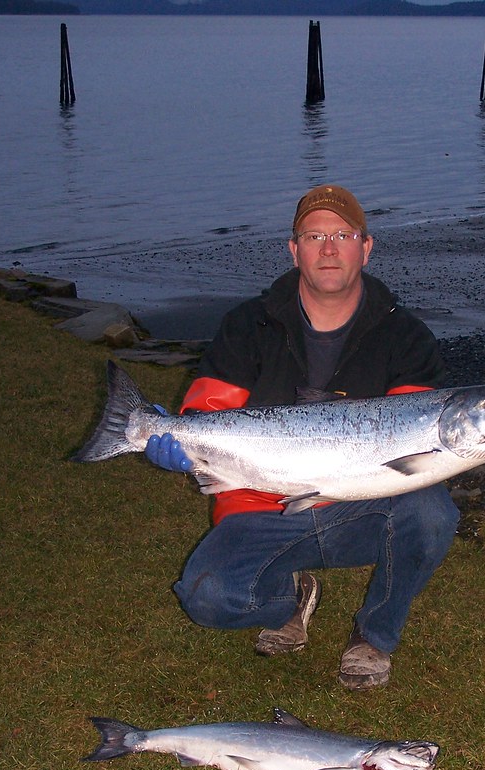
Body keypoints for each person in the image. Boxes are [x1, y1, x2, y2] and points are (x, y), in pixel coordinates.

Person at [146, 184, 459, 689]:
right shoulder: (248, 324)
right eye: (314, 236)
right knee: (205, 597)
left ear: (366, 246)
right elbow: (208, 410)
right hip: (257, 503)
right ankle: (290, 598)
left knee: (431, 510)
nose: (329, 249)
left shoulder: (406, 335)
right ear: (294, 250)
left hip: (359, 506)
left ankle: (374, 637)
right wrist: (180, 441)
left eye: (342, 235)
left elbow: (418, 434)